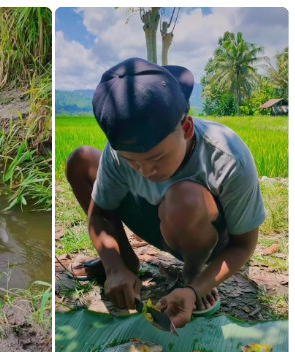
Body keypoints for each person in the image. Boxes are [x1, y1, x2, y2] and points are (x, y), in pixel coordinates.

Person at [66, 57, 266, 328]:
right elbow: (98, 214)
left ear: (186, 128)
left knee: (185, 197)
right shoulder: (117, 155)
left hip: (202, 231)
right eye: (132, 161)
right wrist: (114, 267)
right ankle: (126, 263)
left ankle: (194, 274)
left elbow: (243, 245)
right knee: (81, 161)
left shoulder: (228, 156)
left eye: (157, 158)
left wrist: (197, 289)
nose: (146, 171)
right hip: (155, 217)